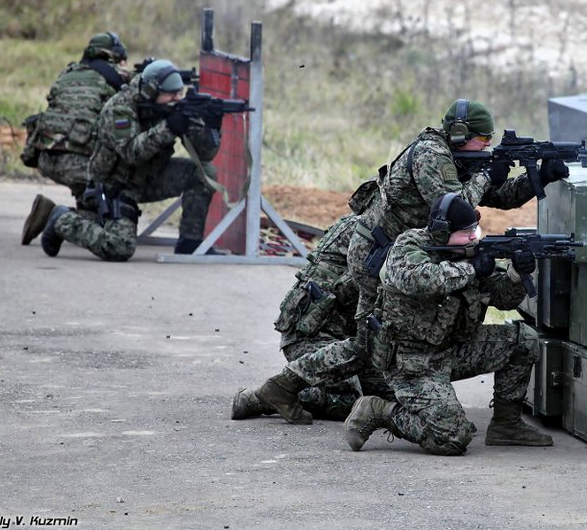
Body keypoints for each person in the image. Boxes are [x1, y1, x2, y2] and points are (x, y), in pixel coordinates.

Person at [234, 99, 568, 424]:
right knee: (375, 339)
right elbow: (455, 205)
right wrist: (487, 177)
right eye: (483, 140)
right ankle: (281, 388)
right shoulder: (430, 154)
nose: (487, 146)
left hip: (405, 254)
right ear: (460, 134)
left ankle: (283, 387)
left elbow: (499, 197)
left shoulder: (454, 158)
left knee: (378, 343)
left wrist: (540, 176)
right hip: (379, 257)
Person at [344, 193, 552, 455]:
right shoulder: (407, 247)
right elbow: (420, 280)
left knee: (524, 340)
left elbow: (502, 298)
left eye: (473, 230)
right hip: (411, 363)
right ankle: (380, 410)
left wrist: (515, 274)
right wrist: (473, 269)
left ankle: (506, 425)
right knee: (452, 438)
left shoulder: (468, 252)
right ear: (442, 234)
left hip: (453, 350)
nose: (473, 237)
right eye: (464, 233)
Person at [36, 59, 221, 261]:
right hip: (116, 186)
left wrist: (211, 128)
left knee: (203, 173)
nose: (178, 98)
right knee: (119, 247)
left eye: (180, 93)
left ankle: (190, 241)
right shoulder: (120, 109)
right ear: (150, 92)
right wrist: (170, 127)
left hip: (150, 177)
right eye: (172, 94)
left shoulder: (171, 108)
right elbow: (131, 153)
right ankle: (62, 219)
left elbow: (205, 154)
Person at [232, 213, 394, 421]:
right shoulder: (367, 235)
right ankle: (263, 397)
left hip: (344, 341)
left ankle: (285, 387)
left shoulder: (371, 225)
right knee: (352, 402)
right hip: (312, 338)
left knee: (389, 394)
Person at [21, 32, 133, 245]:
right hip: (77, 162)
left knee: (94, 190)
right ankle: (55, 216)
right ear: (115, 58)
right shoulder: (113, 81)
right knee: (112, 212)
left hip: (46, 158)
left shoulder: (68, 73)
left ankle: (60, 212)